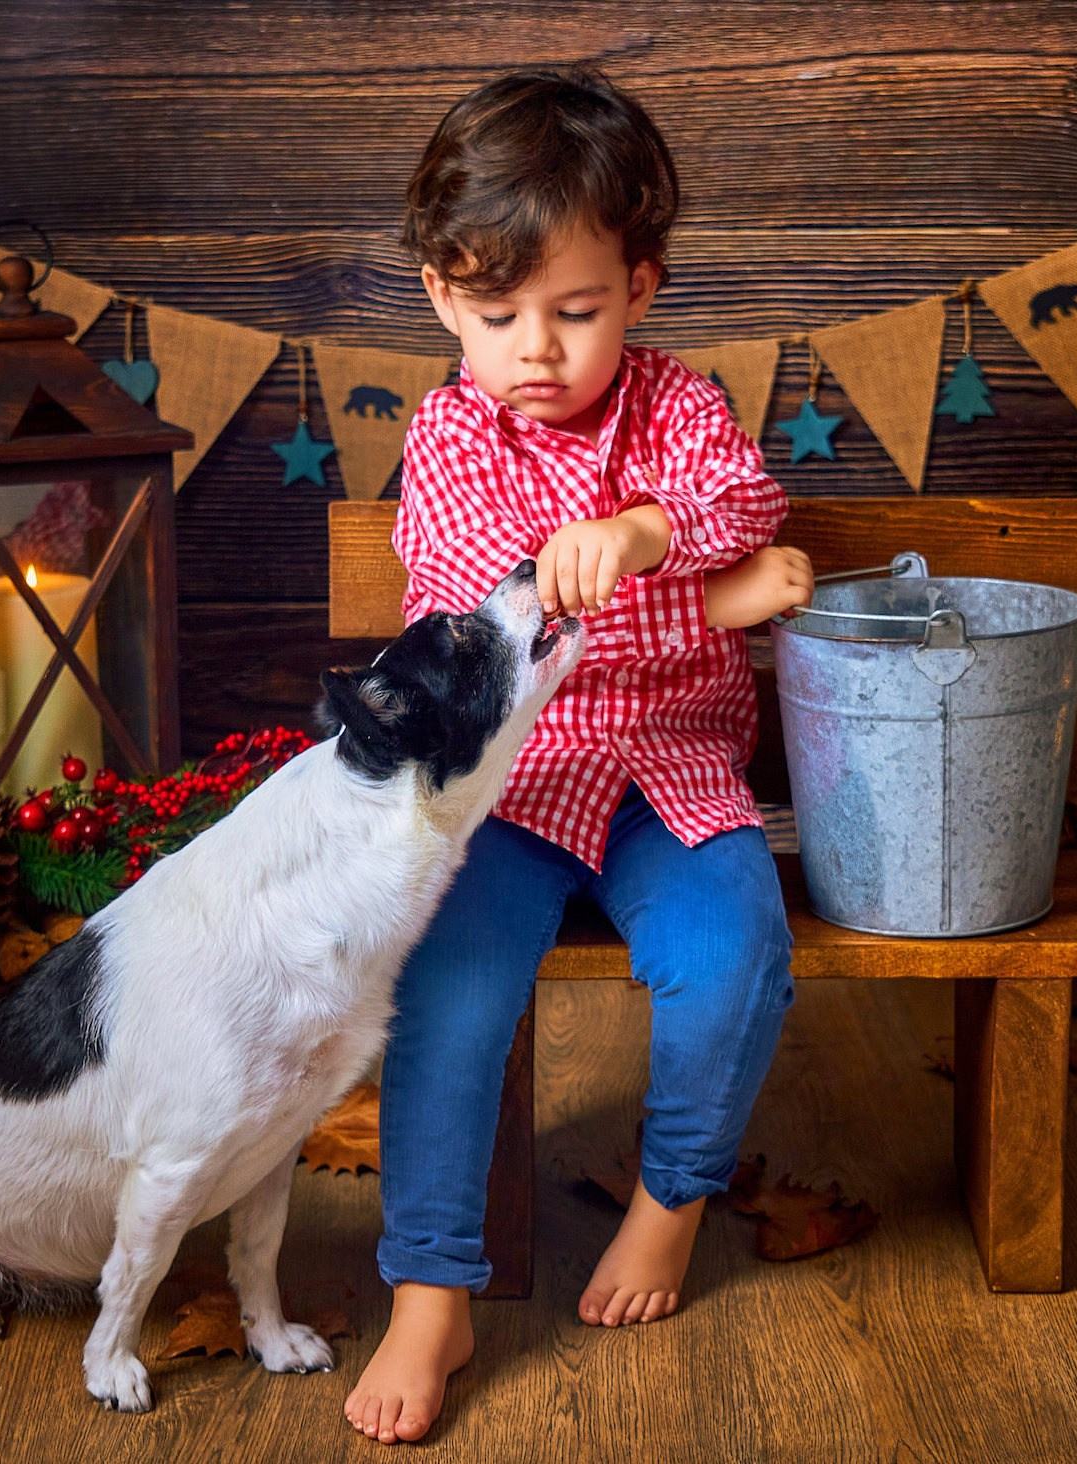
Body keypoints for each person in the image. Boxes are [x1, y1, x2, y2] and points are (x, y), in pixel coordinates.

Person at [342, 64, 815, 1445]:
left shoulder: (675, 408)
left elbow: (747, 497)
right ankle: (430, 1289)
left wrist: (660, 534)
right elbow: (482, 602)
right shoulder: (448, 434)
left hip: (676, 772)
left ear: (643, 287)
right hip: (516, 787)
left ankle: (672, 1205)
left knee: (738, 957)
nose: (536, 348)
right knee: (447, 992)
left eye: (576, 310)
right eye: (498, 315)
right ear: (444, 299)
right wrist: (720, 600)